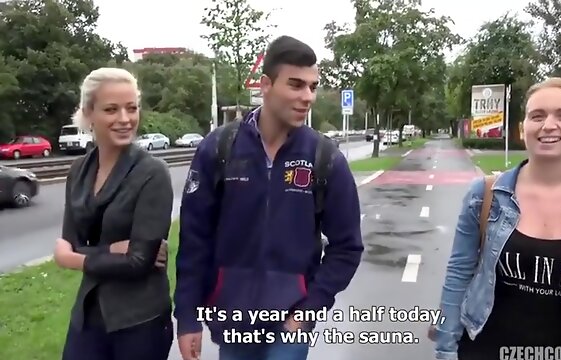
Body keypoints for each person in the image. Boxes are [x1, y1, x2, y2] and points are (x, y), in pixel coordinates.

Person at [174, 35, 364, 360]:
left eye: (312, 86)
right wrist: (187, 316)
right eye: (295, 85)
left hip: (290, 325)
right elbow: (194, 240)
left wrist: (310, 306)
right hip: (231, 319)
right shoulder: (219, 149)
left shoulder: (325, 158)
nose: (307, 97)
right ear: (266, 85)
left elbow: (347, 247)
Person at [432, 77, 561, 359]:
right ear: (523, 129)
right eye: (537, 116)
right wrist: (445, 351)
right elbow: (458, 276)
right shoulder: (485, 195)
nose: (549, 125)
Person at [53, 67, 175, 360]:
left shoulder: (152, 173)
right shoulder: (78, 171)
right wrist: (111, 250)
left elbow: (138, 262)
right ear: (89, 113)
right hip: (88, 314)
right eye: (111, 109)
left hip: (139, 321)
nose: (124, 119)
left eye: (131, 108)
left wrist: (73, 259)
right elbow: (70, 237)